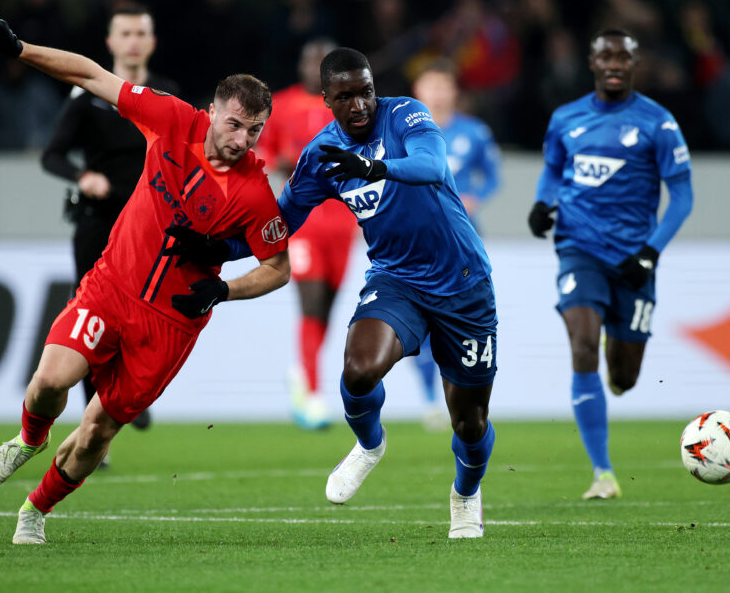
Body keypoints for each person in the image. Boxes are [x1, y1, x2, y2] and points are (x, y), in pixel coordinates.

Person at [0, 12, 290, 545]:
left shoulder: (254, 194)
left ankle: (35, 510)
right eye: (235, 124)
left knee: (97, 432)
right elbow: (92, 76)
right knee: (50, 380)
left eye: (255, 130)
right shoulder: (169, 119)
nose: (243, 139)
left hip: (171, 324)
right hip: (112, 287)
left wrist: (225, 288)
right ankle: (29, 439)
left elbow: (280, 267)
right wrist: (20, 48)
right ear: (211, 112)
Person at [173, 48, 498, 538]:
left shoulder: (406, 113)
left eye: (365, 91)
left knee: (470, 424)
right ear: (326, 100)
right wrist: (215, 246)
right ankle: (369, 445)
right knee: (360, 368)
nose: (361, 104)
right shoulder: (322, 157)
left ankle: (466, 494)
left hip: (464, 283)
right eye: (345, 96)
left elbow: (432, 165)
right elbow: (279, 226)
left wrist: (376, 170)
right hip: (398, 280)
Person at [528, 29, 694, 500]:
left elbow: (682, 196)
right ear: (592, 62)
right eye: (606, 56)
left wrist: (651, 251)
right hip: (578, 247)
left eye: (624, 56)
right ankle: (603, 473)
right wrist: (543, 203)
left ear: (636, 64)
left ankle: (614, 384)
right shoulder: (566, 118)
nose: (615, 63)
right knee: (583, 346)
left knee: (623, 376)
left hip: (634, 258)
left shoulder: (658, 123)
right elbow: (554, 170)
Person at [40, 3, 178, 438]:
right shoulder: (88, 98)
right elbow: (52, 155)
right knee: (88, 318)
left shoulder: (167, 96)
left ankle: (128, 395)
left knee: (148, 316)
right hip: (100, 222)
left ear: (152, 43)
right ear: (111, 43)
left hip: (150, 229)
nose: (134, 41)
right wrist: (83, 176)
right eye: (126, 33)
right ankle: (89, 423)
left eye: (141, 33)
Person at [256, 38, 358, 430]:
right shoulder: (279, 105)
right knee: (311, 302)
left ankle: (303, 372)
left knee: (327, 307)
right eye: (311, 61)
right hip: (303, 221)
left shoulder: (350, 107)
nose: (316, 68)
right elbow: (260, 154)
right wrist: (283, 162)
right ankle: (314, 394)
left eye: (324, 63)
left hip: (343, 221)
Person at [409, 59, 500, 430]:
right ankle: (430, 399)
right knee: (422, 320)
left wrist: (475, 196)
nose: (436, 93)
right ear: (418, 91)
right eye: (429, 85)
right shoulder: (403, 131)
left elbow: (493, 176)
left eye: (442, 86)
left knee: (460, 320)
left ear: (454, 92)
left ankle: (458, 394)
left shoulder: (473, 132)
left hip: (462, 240)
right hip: (417, 239)